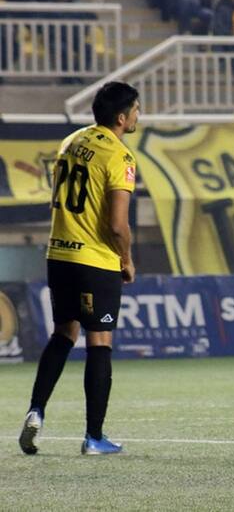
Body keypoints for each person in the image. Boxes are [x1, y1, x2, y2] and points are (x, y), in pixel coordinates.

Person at [19, 81, 139, 455]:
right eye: (136, 109)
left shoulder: (71, 142)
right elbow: (117, 225)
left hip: (59, 254)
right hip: (94, 260)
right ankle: (94, 437)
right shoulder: (119, 156)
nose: (139, 115)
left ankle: (36, 410)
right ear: (122, 118)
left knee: (64, 333)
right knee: (99, 341)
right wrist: (126, 259)